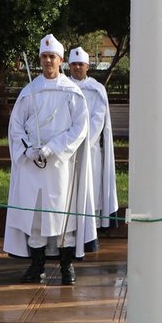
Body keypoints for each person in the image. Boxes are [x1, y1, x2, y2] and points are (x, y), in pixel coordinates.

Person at [5, 35, 96, 285]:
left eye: (52, 57)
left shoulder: (71, 92)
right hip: (33, 166)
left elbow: (80, 127)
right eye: (44, 57)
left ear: (61, 60)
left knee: (62, 215)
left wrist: (53, 148)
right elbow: (16, 127)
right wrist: (28, 149)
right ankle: (37, 266)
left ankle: (67, 267)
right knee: (35, 217)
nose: (47, 61)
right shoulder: (29, 92)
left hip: (59, 165)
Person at [67, 46, 119, 229]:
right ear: (68, 65)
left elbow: (98, 120)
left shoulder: (96, 89)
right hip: (67, 149)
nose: (77, 67)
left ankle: (94, 226)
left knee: (91, 186)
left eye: (80, 64)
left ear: (87, 66)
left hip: (90, 148)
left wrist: (83, 144)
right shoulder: (63, 87)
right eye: (73, 64)